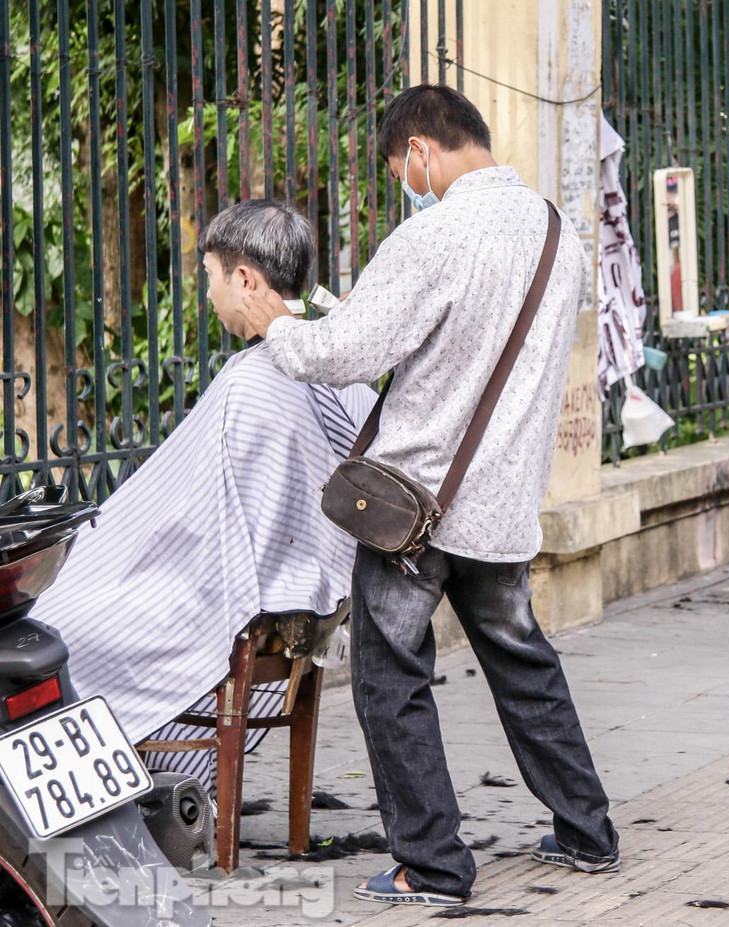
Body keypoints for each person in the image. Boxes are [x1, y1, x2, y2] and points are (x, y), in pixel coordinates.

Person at [237, 85, 619, 908]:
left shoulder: (434, 232)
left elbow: (340, 354)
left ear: (419, 151)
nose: (406, 183)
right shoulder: (559, 234)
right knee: (524, 666)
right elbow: (474, 350)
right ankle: (587, 828)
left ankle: (433, 864)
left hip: (414, 506)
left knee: (391, 678)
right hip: (502, 502)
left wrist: (275, 321)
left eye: (400, 168)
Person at [32, 200, 376, 790]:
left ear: (245, 280)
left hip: (230, 601)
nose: (209, 293)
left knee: (48, 629)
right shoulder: (350, 379)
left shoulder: (250, 381)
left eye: (210, 276)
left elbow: (176, 523)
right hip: (305, 605)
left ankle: (73, 788)